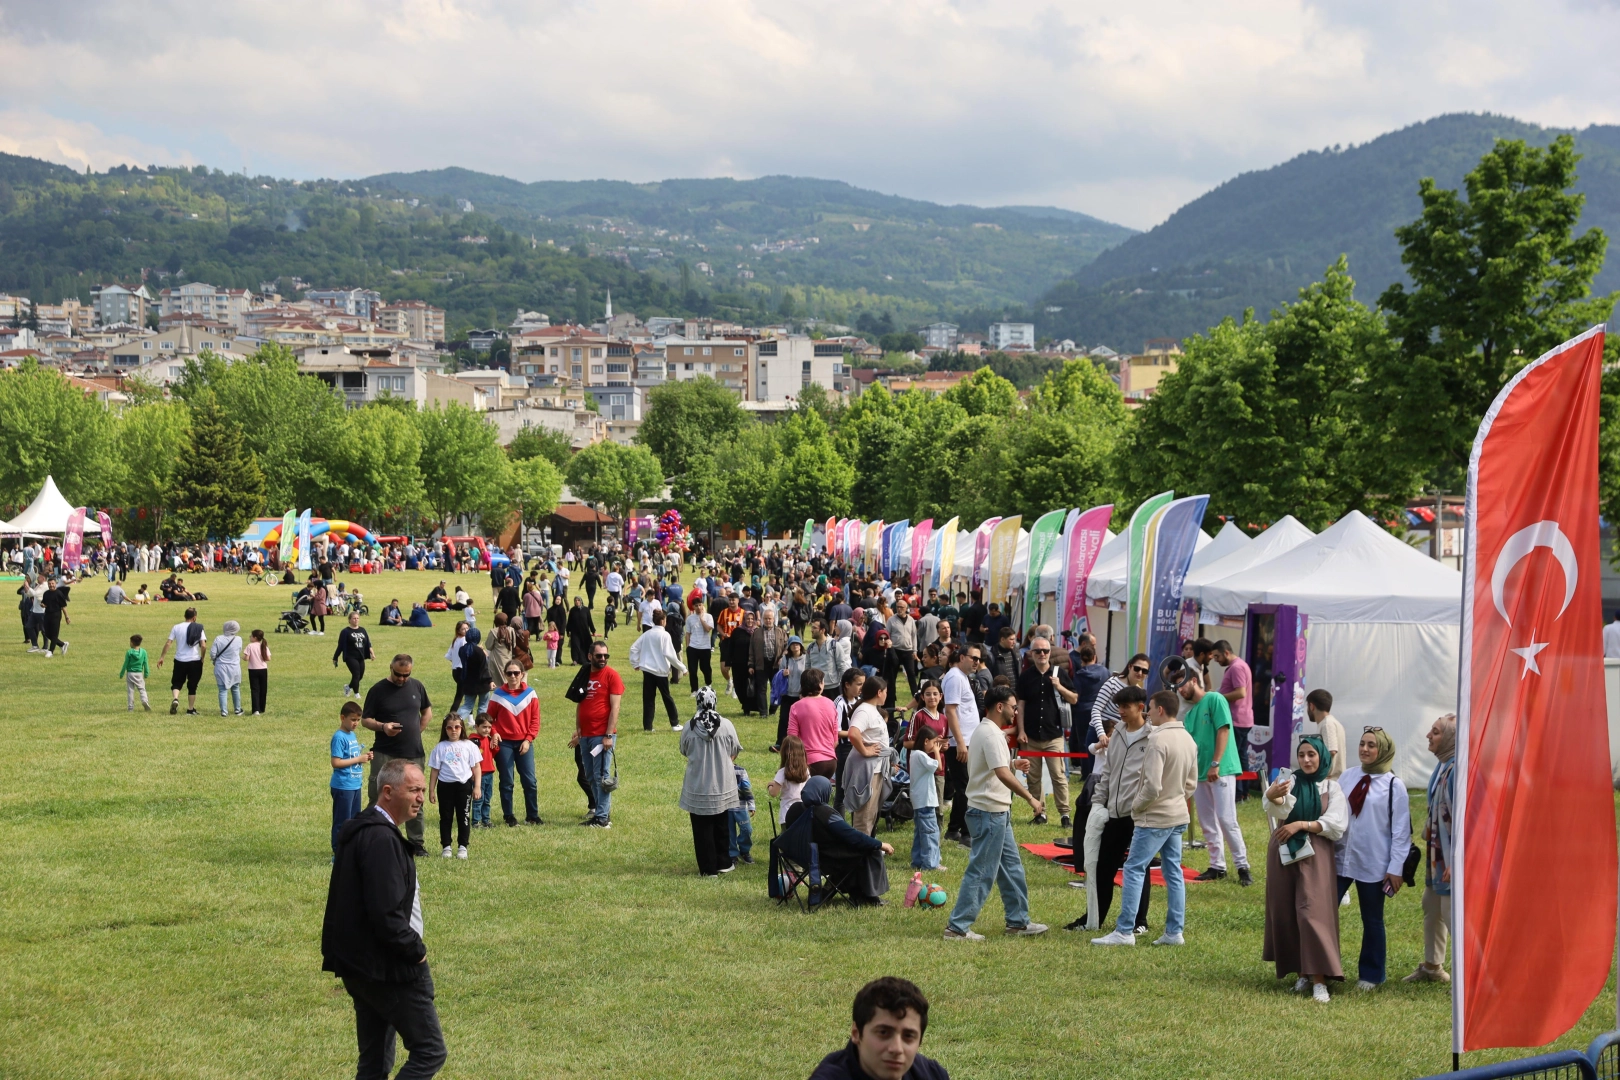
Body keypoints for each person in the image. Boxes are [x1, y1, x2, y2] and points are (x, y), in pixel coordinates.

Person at [321, 758, 447, 1080]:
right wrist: (416, 952)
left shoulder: (364, 829)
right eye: (414, 790)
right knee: (430, 1051)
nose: (421, 798)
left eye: (423, 790)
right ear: (388, 792)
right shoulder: (379, 840)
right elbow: (386, 915)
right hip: (388, 968)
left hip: (361, 966)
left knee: (374, 1063)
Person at [1092, 687, 1198, 947]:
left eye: (1149, 708)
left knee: (1134, 869)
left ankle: (1124, 931)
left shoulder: (1158, 739)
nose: (1148, 713)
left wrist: (1137, 808)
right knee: (1173, 872)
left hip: (1154, 817)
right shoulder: (1188, 739)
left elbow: (1152, 786)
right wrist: (1173, 800)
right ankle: (1174, 932)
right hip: (1177, 815)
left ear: (1160, 710)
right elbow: (1191, 784)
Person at [943, 686, 1046, 940]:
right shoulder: (989, 733)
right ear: (1000, 707)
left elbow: (995, 765)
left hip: (996, 812)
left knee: (1011, 868)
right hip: (988, 813)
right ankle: (957, 927)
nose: (1016, 711)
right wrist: (1030, 797)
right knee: (982, 871)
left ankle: (1018, 922)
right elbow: (1001, 773)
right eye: (1013, 706)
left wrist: (1013, 763)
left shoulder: (988, 731)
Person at [1263, 735, 1349, 1001]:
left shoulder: (1331, 787)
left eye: (1311, 754)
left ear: (1322, 756)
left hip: (1316, 854)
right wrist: (1273, 797)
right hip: (1284, 851)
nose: (1306, 760)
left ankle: (1319, 979)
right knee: (1286, 911)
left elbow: (1336, 824)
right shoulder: (1289, 781)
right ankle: (1301, 973)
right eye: (1302, 755)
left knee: (1313, 912)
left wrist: (1301, 825)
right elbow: (1278, 811)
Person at [1068, 686, 1154, 934]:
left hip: (1139, 814)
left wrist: (1140, 805)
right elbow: (1107, 772)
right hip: (1114, 813)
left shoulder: (1153, 737)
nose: (1121, 711)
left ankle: (1140, 922)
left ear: (1140, 707)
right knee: (1103, 867)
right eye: (1119, 706)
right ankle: (1093, 919)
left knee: (1139, 868)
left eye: (1126, 706)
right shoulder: (1117, 734)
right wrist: (1098, 802)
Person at [1334, 726, 1410, 990]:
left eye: (1371, 745)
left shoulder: (1394, 786)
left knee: (1372, 919)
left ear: (1384, 750)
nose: (1364, 749)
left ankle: (1372, 974)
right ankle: (1322, 967)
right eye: (1362, 744)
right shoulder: (1348, 776)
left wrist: (1396, 868)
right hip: (1340, 858)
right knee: (1323, 913)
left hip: (1373, 862)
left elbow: (1401, 832)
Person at [1181, 672, 1251, 886]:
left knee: (1226, 819)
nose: (1180, 690)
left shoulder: (1215, 698)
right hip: (1200, 773)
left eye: (1182, 684)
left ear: (1194, 680)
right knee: (1207, 822)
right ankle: (1217, 866)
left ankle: (1242, 866)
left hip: (1221, 769)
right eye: (1176, 687)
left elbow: (1224, 729)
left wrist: (1215, 763)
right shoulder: (1190, 714)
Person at [361, 655, 435, 857]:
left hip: (413, 753)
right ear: (390, 668)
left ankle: (416, 843)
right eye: (398, 674)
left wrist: (416, 731)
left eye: (406, 675)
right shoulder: (378, 690)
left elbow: (427, 712)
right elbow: (365, 720)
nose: (402, 679)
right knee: (378, 797)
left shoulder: (417, 687)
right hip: (384, 752)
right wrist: (383, 727)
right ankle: (373, 839)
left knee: (416, 798)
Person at [807, 976, 949, 1080]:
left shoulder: (932, 1075)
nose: (897, 1049)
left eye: (908, 1036)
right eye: (883, 1032)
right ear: (856, 1033)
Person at [780, 776, 893, 905]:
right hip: (826, 861)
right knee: (869, 849)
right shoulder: (826, 814)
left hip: (803, 858)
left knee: (853, 851)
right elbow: (853, 836)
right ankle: (869, 897)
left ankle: (836, 887)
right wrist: (879, 844)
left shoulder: (794, 809)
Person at [1406, 714, 1456, 984]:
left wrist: (1457, 861)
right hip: (1438, 854)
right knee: (1432, 905)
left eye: (1436, 732)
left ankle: (1468, 981)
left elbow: (1469, 819)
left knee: (1452, 913)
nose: (1428, 735)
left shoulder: (1458, 770)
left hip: (1452, 857)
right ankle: (1433, 967)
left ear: (1451, 738)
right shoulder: (1444, 765)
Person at [1014, 635, 1076, 828]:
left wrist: (1059, 686)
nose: (1042, 654)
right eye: (1038, 651)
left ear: (1050, 652)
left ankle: (1065, 815)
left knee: (1058, 776)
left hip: (1053, 735)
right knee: (1033, 777)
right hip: (1030, 735)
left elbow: (1074, 698)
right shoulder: (1026, 676)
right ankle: (1040, 813)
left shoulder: (1060, 673)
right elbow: (1020, 706)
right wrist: (1021, 731)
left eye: (1045, 651)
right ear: (1031, 653)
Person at [679, 688, 742, 877]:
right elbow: (735, 749)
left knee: (701, 828)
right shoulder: (726, 725)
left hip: (698, 783)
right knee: (722, 823)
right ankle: (724, 862)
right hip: (722, 782)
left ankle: (708, 868)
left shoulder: (689, 727)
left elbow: (684, 750)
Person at [571, 640, 623, 828]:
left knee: (601, 776)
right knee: (591, 776)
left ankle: (601, 819)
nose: (602, 658)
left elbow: (615, 707)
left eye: (605, 655)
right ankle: (602, 812)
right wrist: (578, 728)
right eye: (599, 655)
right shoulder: (584, 674)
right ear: (590, 656)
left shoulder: (612, 676)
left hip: (602, 735)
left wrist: (608, 735)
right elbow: (580, 702)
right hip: (585, 735)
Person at [486, 659, 542, 827]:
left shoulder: (531, 694)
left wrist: (528, 740)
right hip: (504, 744)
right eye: (509, 673)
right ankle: (508, 816)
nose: (513, 676)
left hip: (524, 743)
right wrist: (494, 733)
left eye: (516, 673)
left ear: (522, 674)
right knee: (507, 781)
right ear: (505, 675)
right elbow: (489, 719)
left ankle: (532, 815)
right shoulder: (498, 694)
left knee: (530, 781)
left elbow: (535, 721)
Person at [939, 644, 984, 846]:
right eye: (973, 658)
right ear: (961, 657)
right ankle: (967, 834)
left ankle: (953, 829)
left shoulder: (962, 676)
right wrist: (959, 743)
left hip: (966, 741)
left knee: (964, 787)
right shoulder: (955, 677)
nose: (976, 662)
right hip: (960, 742)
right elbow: (950, 711)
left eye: (979, 659)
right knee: (967, 788)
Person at [427, 714, 481, 859]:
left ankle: (463, 846)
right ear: (445, 729)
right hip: (445, 786)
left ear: (462, 727)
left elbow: (476, 768)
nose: (454, 730)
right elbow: (434, 771)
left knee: (463, 816)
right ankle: (446, 846)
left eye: (457, 727)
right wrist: (431, 790)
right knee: (446, 817)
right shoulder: (440, 747)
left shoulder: (469, 745)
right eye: (450, 728)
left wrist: (477, 786)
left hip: (464, 785)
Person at [845, 675, 893, 835]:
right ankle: (860, 850)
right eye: (886, 692)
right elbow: (853, 733)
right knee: (864, 818)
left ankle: (866, 848)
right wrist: (866, 751)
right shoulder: (864, 710)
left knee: (871, 815)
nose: (886, 695)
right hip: (868, 770)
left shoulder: (871, 709)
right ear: (879, 692)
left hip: (876, 768)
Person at [1210, 640, 1255, 795]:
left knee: (1233, 757)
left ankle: (1239, 792)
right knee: (1241, 756)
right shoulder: (1239, 665)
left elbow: (1241, 692)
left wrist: (1218, 697)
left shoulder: (1236, 667)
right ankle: (1243, 792)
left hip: (1237, 719)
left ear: (1226, 653)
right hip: (1242, 718)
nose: (1216, 660)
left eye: (1217, 656)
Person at [629, 608, 686, 732]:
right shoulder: (665, 635)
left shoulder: (647, 634)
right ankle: (675, 724)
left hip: (647, 671)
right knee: (667, 697)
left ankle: (648, 727)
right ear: (663, 621)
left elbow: (634, 648)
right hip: (660, 672)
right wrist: (682, 668)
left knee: (648, 699)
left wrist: (635, 663)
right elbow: (670, 655)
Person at [330, 701, 372, 854]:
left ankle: (351, 849)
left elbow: (352, 757)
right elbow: (336, 762)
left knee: (354, 820)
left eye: (358, 720)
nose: (356, 723)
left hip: (355, 784)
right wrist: (358, 759)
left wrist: (364, 757)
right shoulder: (339, 737)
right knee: (342, 821)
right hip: (343, 786)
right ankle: (338, 852)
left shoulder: (351, 735)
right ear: (343, 718)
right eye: (353, 719)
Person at [787, 669, 839, 781]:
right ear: (820, 684)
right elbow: (835, 740)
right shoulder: (831, 704)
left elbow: (792, 739)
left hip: (809, 761)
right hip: (831, 761)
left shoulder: (796, 707)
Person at [156, 607, 206, 715]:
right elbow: (203, 645)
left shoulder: (176, 627)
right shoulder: (199, 628)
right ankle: (190, 709)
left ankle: (175, 698)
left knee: (177, 682)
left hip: (179, 660)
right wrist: (202, 657)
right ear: (194, 617)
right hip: (194, 660)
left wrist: (162, 657)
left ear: (184, 616)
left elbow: (169, 643)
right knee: (192, 686)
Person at [910, 732, 946, 873]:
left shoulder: (915, 754)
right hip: (926, 800)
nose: (935, 745)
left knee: (920, 833)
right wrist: (937, 751)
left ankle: (918, 861)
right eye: (933, 742)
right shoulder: (921, 755)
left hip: (920, 800)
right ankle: (931, 864)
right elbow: (939, 767)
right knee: (931, 832)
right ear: (926, 741)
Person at [1296, 689, 1347, 781]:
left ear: (1311, 706)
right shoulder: (1330, 722)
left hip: (1330, 781)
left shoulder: (1327, 724)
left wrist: (1320, 773)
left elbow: (1331, 751)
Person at [769, 735, 810, 824]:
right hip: (802, 813)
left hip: (786, 814)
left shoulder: (782, 772)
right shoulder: (806, 770)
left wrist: (770, 786)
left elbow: (773, 793)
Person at [335, 611, 376, 699]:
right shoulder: (345, 631)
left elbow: (368, 643)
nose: (356, 620)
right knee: (356, 674)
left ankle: (348, 687)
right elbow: (340, 646)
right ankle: (356, 694)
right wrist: (335, 657)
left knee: (360, 676)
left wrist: (372, 653)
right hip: (350, 656)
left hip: (360, 656)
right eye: (354, 618)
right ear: (349, 620)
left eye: (357, 618)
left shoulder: (362, 630)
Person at [209, 618, 245, 717]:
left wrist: (215, 659)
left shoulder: (218, 638)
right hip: (234, 667)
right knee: (235, 688)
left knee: (222, 689)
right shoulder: (238, 639)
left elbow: (212, 653)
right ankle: (237, 709)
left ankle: (224, 711)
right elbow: (238, 651)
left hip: (221, 667)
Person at [469, 714, 498, 829]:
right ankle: (476, 821)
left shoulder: (488, 739)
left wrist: (495, 745)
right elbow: (469, 758)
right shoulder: (473, 741)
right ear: (476, 726)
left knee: (487, 798)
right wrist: (472, 773)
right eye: (484, 727)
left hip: (489, 773)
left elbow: (493, 753)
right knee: (478, 798)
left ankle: (486, 820)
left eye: (489, 727)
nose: (487, 730)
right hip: (479, 775)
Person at [456, 627, 492, 720]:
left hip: (468, 682)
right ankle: (480, 724)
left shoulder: (462, 650)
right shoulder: (479, 651)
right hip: (482, 682)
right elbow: (485, 666)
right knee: (483, 706)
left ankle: (455, 721)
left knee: (467, 706)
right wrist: (490, 680)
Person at [684, 596, 715, 692]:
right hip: (693, 647)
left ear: (703, 605)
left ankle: (708, 684)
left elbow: (708, 629)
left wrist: (702, 619)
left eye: (700, 605)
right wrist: (688, 647)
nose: (698, 607)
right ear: (693, 607)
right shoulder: (689, 619)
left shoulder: (708, 617)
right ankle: (694, 690)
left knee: (705, 668)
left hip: (705, 647)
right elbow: (688, 633)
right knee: (692, 670)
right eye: (696, 606)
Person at [729, 761, 756, 865]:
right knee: (729, 833)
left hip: (741, 808)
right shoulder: (718, 770)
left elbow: (747, 788)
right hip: (726, 808)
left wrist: (751, 804)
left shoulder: (740, 771)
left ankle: (744, 851)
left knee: (747, 829)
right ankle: (732, 854)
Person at [118, 633, 151, 712]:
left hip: (130, 674)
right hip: (139, 673)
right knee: (142, 689)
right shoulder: (143, 652)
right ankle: (144, 700)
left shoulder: (129, 652)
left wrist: (122, 673)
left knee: (130, 691)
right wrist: (146, 673)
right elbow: (145, 663)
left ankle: (130, 708)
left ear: (132, 642)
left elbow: (125, 663)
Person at [39, 575, 69, 656]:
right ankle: (62, 644)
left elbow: (63, 606)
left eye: (52, 583)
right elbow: (44, 603)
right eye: (49, 584)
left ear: (55, 584)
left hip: (56, 615)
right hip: (47, 614)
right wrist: (43, 605)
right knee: (47, 633)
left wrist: (67, 617)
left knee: (54, 634)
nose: (51, 585)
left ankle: (51, 651)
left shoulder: (59, 594)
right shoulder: (46, 593)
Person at [245, 629, 271, 715]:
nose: (250, 637)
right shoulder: (264, 646)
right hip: (263, 669)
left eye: (251, 636)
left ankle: (256, 709)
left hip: (253, 669)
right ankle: (262, 708)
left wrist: (242, 657)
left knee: (255, 689)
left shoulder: (250, 646)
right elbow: (268, 658)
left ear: (255, 637)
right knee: (263, 689)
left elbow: (247, 658)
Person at [566, 597, 596, 666]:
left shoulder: (586, 610)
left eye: (578, 600)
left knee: (587, 645)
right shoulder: (572, 610)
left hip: (585, 631)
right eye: (575, 600)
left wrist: (593, 630)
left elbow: (590, 621)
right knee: (575, 646)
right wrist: (568, 630)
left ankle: (588, 660)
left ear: (581, 601)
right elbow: (569, 621)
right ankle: (575, 660)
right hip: (575, 632)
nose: (577, 602)